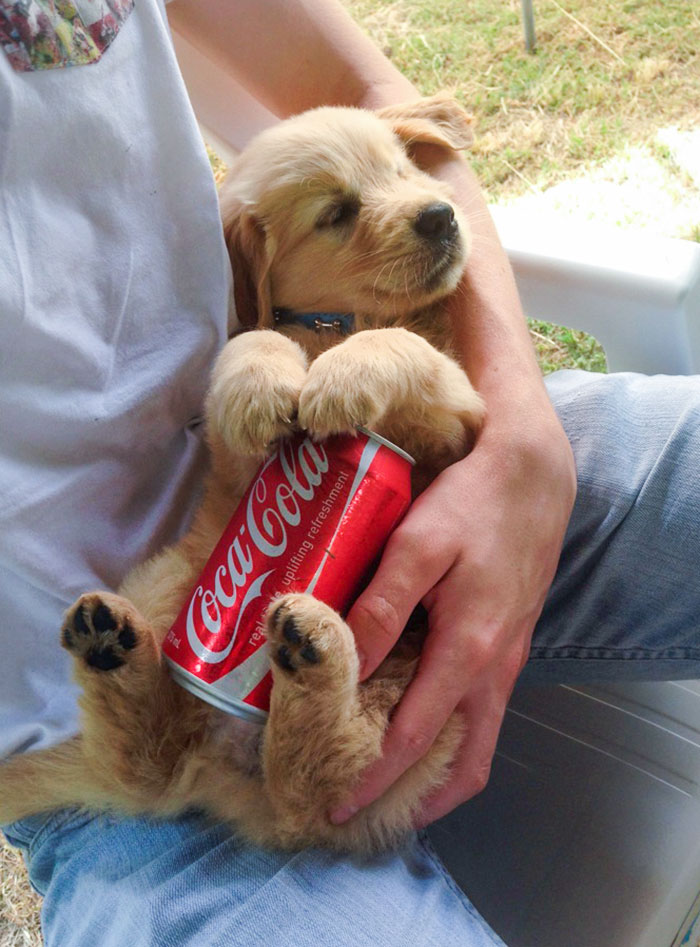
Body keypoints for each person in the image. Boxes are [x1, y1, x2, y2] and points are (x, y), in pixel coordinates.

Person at [1, 1, 699, 944]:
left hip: (397, 468)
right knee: (245, 754)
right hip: (113, 729)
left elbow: (369, 97)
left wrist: (523, 440)